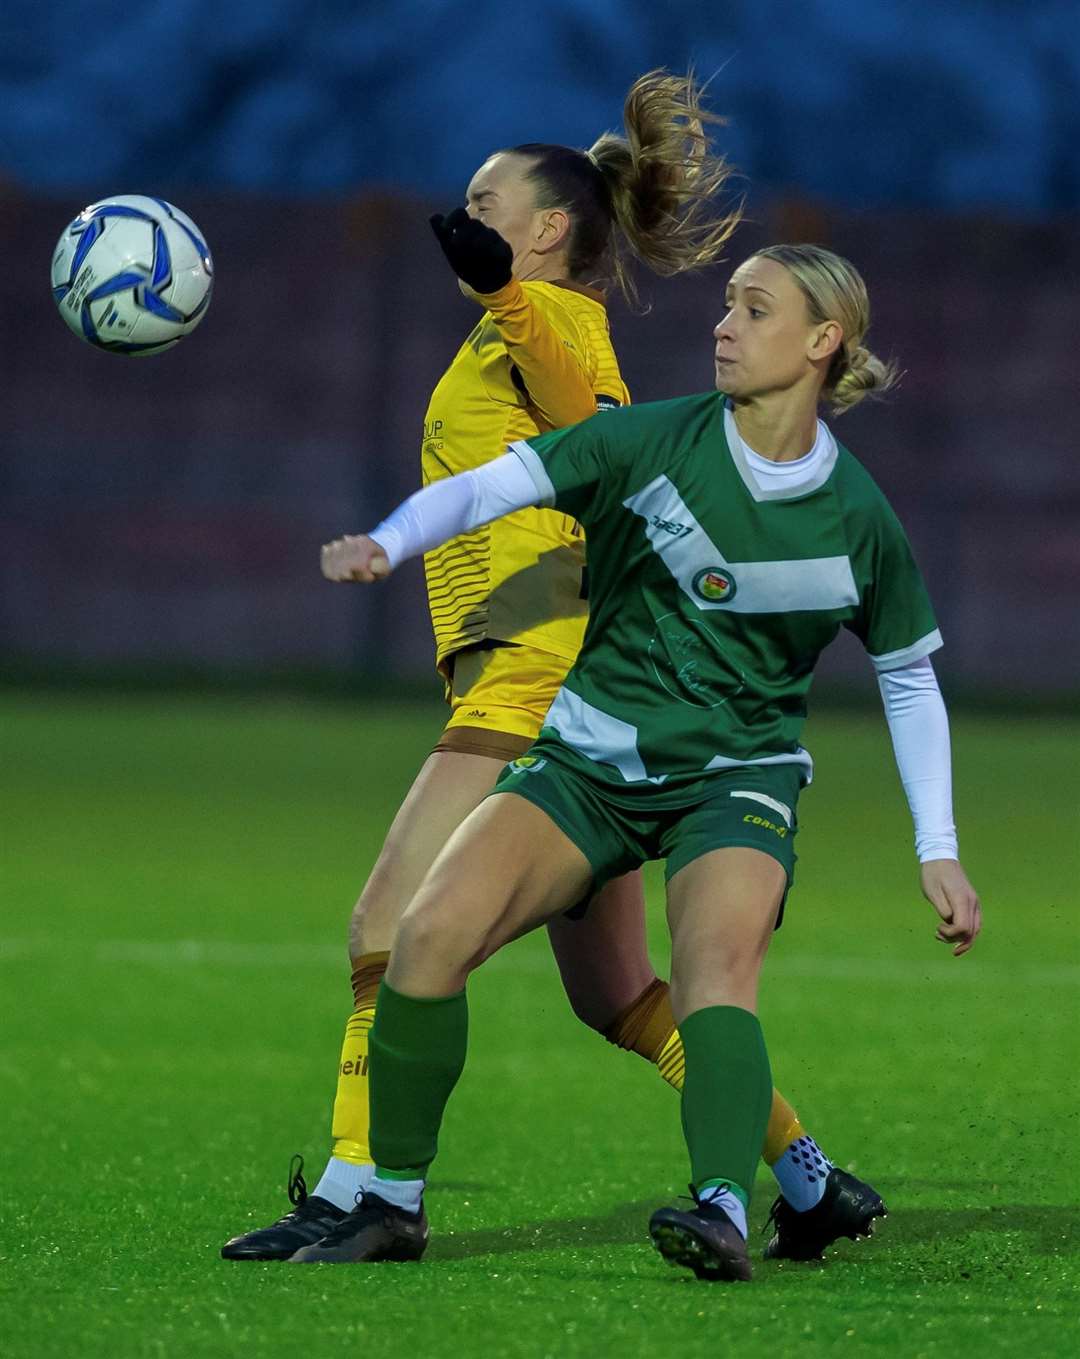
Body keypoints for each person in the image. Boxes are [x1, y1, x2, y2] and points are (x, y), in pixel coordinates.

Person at [222, 75, 881, 1264]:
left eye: (489, 201)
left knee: (389, 926)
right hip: (547, 671)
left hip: (537, 669)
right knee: (616, 993)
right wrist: (494, 300)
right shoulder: (506, 327)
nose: (465, 213)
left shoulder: (554, 319)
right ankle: (806, 1175)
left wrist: (502, 291)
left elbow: (593, 411)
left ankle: (362, 1192)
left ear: (546, 231)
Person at [304, 242, 982, 1281]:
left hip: (735, 782)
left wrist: (938, 848)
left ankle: (719, 1206)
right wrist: (389, 544)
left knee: (716, 974)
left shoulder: (858, 519)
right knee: (427, 938)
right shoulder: (649, 441)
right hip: (589, 768)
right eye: (725, 305)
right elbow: (495, 486)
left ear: (820, 343)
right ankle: (392, 1204)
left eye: (754, 311)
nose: (723, 326)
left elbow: (907, 677)